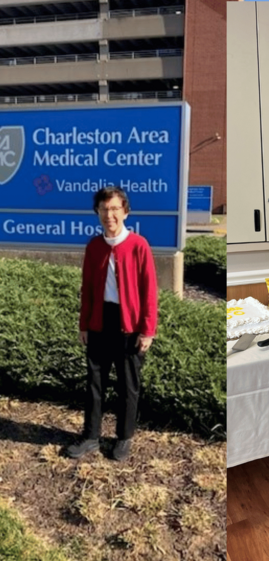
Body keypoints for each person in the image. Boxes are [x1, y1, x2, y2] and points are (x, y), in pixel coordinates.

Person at [67, 186, 158, 462]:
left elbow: (149, 290)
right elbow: (87, 288)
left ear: (125, 212)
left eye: (115, 209)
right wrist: (84, 324)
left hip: (128, 325)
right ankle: (91, 436)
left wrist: (147, 330)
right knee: (95, 382)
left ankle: (124, 437)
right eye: (105, 209)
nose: (110, 215)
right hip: (99, 322)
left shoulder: (138, 245)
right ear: (98, 212)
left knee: (128, 385)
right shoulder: (94, 247)